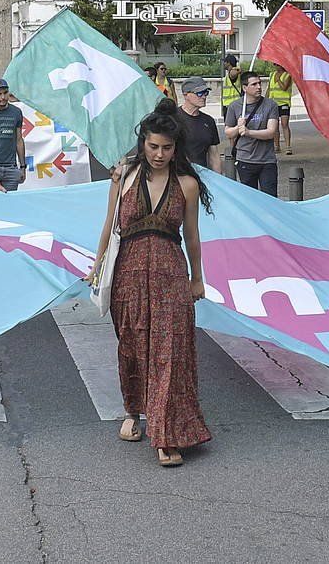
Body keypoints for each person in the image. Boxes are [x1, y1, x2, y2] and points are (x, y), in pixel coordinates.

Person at [89, 97, 212, 467]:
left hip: (170, 273)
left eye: (167, 148)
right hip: (128, 271)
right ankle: (134, 411)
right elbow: (110, 225)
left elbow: (191, 236)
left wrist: (197, 278)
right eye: (153, 146)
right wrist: (97, 267)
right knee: (132, 345)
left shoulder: (187, 183)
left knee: (169, 352)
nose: (159, 154)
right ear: (143, 142)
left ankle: (166, 433)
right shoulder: (123, 176)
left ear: (177, 149)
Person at [223, 71, 279, 196]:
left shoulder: (271, 105)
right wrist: (238, 127)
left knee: (270, 200)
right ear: (244, 88)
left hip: (267, 161)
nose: (259, 87)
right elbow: (228, 133)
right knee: (249, 200)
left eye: (259, 83)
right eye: (254, 84)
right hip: (245, 160)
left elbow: (271, 132)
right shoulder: (235, 106)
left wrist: (248, 132)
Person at [176, 77, 222, 173]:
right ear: (186, 95)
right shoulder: (173, 118)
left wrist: (219, 181)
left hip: (202, 176)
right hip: (178, 175)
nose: (204, 97)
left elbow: (214, 156)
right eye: (199, 93)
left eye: (206, 93)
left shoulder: (209, 121)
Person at [269, 64, 293, 155]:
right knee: (274, 126)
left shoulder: (287, 75)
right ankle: (277, 146)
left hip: (284, 103)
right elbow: (269, 89)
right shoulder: (272, 74)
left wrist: (278, 79)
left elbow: (284, 87)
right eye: (275, 64)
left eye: (278, 64)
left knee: (284, 124)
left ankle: (288, 146)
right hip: (273, 103)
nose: (276, 66)